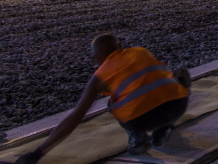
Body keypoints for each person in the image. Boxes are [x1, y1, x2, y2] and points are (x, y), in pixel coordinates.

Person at [15, 34, 190, 164]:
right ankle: (163, 129)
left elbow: (76, 117)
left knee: (113, 104)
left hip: (141, 120)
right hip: (176, 107)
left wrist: (38, 152)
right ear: (120, 46)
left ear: (97, 58)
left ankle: (138, 139)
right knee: (180, 75)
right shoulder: (140, 52)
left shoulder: (99, 77)